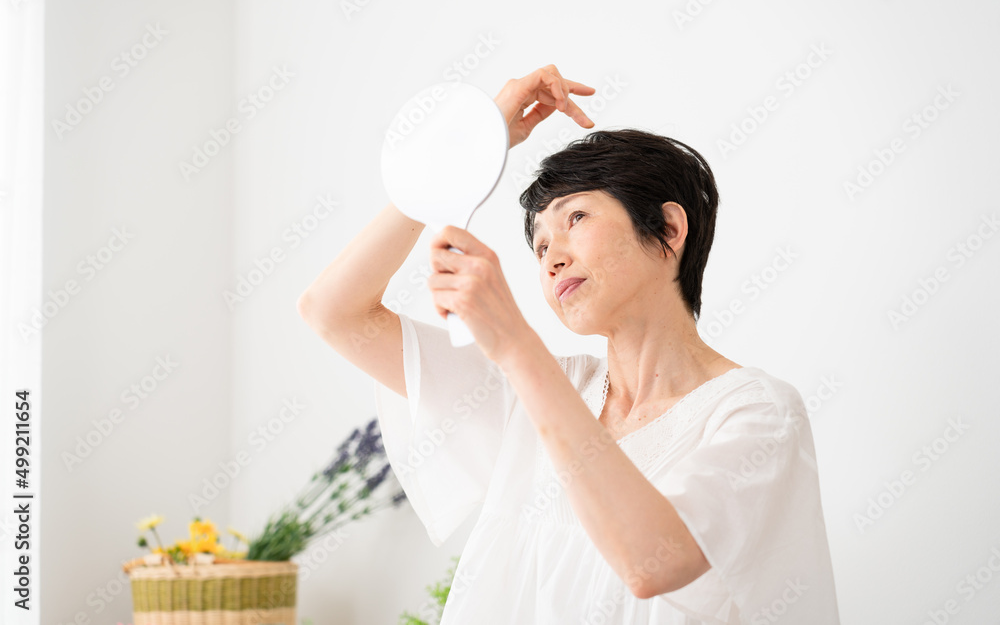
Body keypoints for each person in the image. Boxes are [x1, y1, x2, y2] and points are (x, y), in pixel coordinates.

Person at [297, 65, 840, 624]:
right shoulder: (534, 397)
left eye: (576, 218)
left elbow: (653, 563)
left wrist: (515, 343)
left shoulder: (757, 414)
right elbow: (334, 312)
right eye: (539, 247)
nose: (552, 258)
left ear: (668, 230)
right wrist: (474, 146)